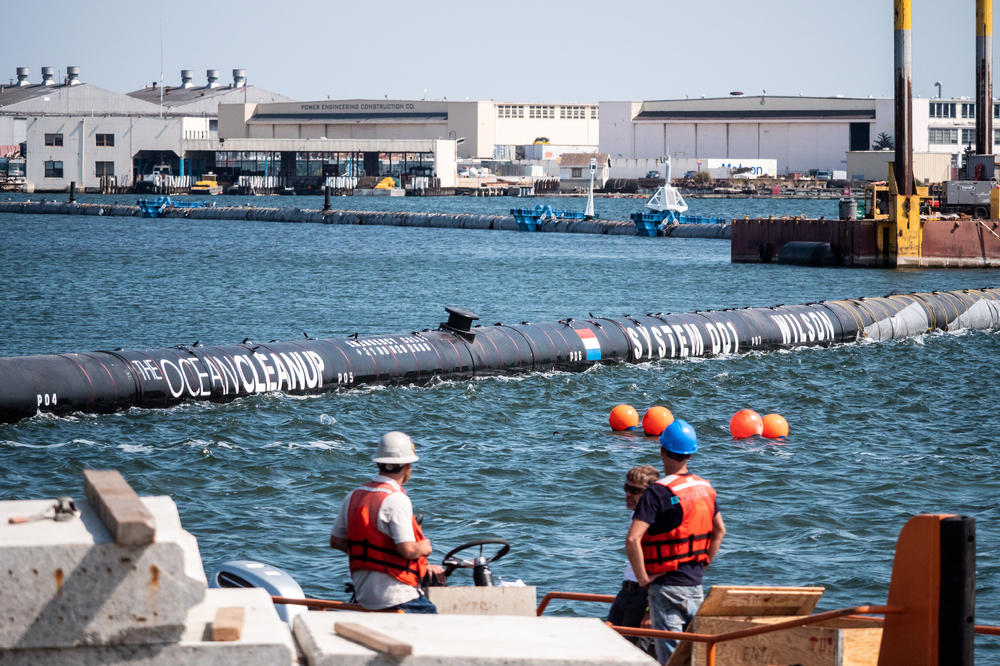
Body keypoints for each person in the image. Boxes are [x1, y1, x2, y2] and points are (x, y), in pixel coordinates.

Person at [625, 419, 726, 664]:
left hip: (666, 586)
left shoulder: (658, 491)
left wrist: (643, 580)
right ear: (690, 454)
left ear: (662, 450)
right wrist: (703, 563)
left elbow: (633, 539)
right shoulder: (705, 488)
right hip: (695, 585)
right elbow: (720, 530)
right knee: (694, 655)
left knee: (671, 660)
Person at [329, 431, 443, 612]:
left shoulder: (354, 495)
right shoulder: (396, 499)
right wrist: (425, 547)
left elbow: (336, 541)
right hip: (397, 596)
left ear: (379, 463)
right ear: (408, 466)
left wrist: (371, 560)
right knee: (435, 622)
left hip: (363, 595)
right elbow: (408, 549)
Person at [608, 464, 660, 657]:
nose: (628, 494)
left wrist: (649, 608)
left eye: (635, 491)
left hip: (643, 596)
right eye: (626, 488)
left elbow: (663, 566)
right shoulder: (637, 516)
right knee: (611, 650)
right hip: (626, 591)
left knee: (636, 655)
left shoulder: (656, 520)